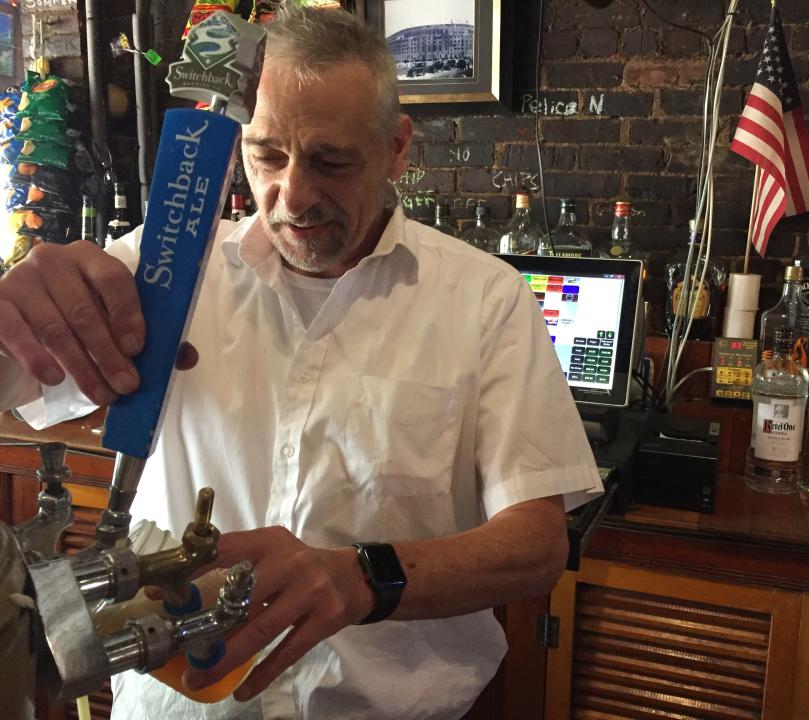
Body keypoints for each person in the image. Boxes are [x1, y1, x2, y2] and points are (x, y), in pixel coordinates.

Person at [0, 5, 601, 719]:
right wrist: (14, 315)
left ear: (398, 148)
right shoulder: (159, 266)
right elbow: (18, 383)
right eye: (267, 155)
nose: (293, 193)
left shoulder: (485, 300)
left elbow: (537, 545)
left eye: (330, 160)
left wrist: (364, 579)